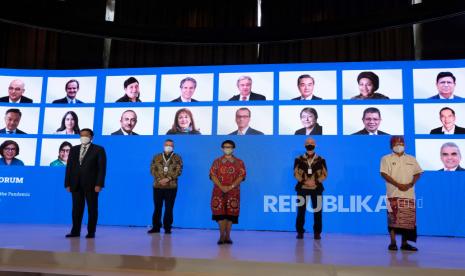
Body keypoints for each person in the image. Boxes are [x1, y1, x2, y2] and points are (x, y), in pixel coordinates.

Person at [380, 136, 422, 251]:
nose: (399, 145)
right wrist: (398, 184)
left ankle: (404, 243)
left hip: (409, 194)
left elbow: (418, 172)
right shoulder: (386, 159)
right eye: (396, 143)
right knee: (392, 219)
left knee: (407, 221)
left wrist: (411, 183)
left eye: (401, 143)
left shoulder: (411, 159)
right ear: (391, 145)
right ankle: (393, 242)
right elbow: (384, 174)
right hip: (392, 193)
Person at [65, 128, 107, 239]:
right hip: (75, 184)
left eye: (86, 135)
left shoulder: (99, 150)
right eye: (81, 135)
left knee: (92, 209)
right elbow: (69, 167)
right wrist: (67, 183)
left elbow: (101, 169)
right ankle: (75, 231)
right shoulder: (74, 149)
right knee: (76, 210)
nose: (83, 137)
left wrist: (99, 184)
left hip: (92, 185)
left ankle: (91, 232)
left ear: (91, 137)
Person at [210, 140, 246, 245]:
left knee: (230, 215)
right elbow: (212, 175)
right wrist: (222, 187)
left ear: (233, 149)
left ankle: (228, 236)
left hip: (233, 192)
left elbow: (241, 176)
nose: (227, 149)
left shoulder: (239, 162)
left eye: (229, 147)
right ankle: (221, 236)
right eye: (225, 147)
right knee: (220, 215)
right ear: (222, 148)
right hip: (218, 192)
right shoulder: (216, 161)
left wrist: (230, 187)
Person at [294, 137, 328, 240]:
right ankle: (300, 232)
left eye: (312, 143)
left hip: (317, 189)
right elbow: (295, 173)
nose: (310, 145)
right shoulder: (298, 159)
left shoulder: (321, 160)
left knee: (317, 211)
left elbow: (325, 174)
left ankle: (317, 233)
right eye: (308, 143)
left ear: (315, 145)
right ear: (305, 145)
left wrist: (315, 181)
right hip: (302, 189)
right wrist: (305, 181)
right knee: (301, 211)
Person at [148, 139, 183, 234]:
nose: (168, 146)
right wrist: (160, 179)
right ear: (163, 146)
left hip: (171, 187)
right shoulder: (157, 157)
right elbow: (152, 169)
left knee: (169, 208)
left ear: (173, 147)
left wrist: (168, 179)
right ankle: (156, 227)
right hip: (157, 186)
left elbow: (179, 171)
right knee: (157, 207)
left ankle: (167, 227)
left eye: (170, 145)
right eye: (167, 145)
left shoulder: (177, 158)